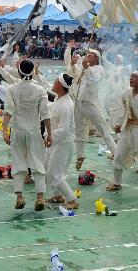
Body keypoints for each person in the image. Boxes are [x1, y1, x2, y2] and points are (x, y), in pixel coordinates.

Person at [3, 59, 51, 211]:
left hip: (18, 131)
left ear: (19, 71)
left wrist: (4, 130)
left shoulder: (12, 89)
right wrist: (49, 134)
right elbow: (45, 114)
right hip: (34, 131)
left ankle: (19, 197)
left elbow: (8, 110)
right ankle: (40, 197)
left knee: (18, 163)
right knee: (37, 163)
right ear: (32, 72)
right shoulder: (40, 90)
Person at [66, 46, 118, 169]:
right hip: (79, 102)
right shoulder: (85, 68)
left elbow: (94, 79)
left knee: (103, 129)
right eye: (87, 54)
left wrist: (87, 68)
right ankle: (80, 156)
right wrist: (74, 65)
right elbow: (74, 78)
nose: (88, 55)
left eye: (90, 55)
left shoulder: (99, 69)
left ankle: (116, 153)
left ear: (96, 58)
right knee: (79, 130)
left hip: (90, 103)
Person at [45, 73, 78, 210]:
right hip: (56, 141)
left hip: (64, 142)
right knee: (49, 168)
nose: (53, 83)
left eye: (55, 81)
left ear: (60, 85)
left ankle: (72, 199)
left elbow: (63, 129)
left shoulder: (66, 105)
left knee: (55, 173)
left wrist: (50, 137)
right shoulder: (59, 98)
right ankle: (58, 195)